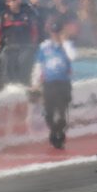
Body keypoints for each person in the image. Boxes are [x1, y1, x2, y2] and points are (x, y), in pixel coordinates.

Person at [32, 22, 75, 150]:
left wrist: (63, 43)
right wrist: (35, 83)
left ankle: (59, 135)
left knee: (62, 114)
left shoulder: (67, 46)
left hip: (63, 83)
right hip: (49, 84)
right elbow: (38, 65)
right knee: (49, 113)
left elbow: (72, 57)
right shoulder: (44, 47)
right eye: (53, 32)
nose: (55, 35)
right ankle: (53, 131)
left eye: (58, 32)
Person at [0, 0, 41, 85]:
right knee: (5, 62)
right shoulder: (2, 15)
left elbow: (34, 30)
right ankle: (9, 88)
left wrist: (33, 44)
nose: (15, 2)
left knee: (23, 64)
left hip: (26, 46)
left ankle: (24, 86)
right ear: (7, 3)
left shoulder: (28, 12)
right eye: (12, 0)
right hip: (9, 46)